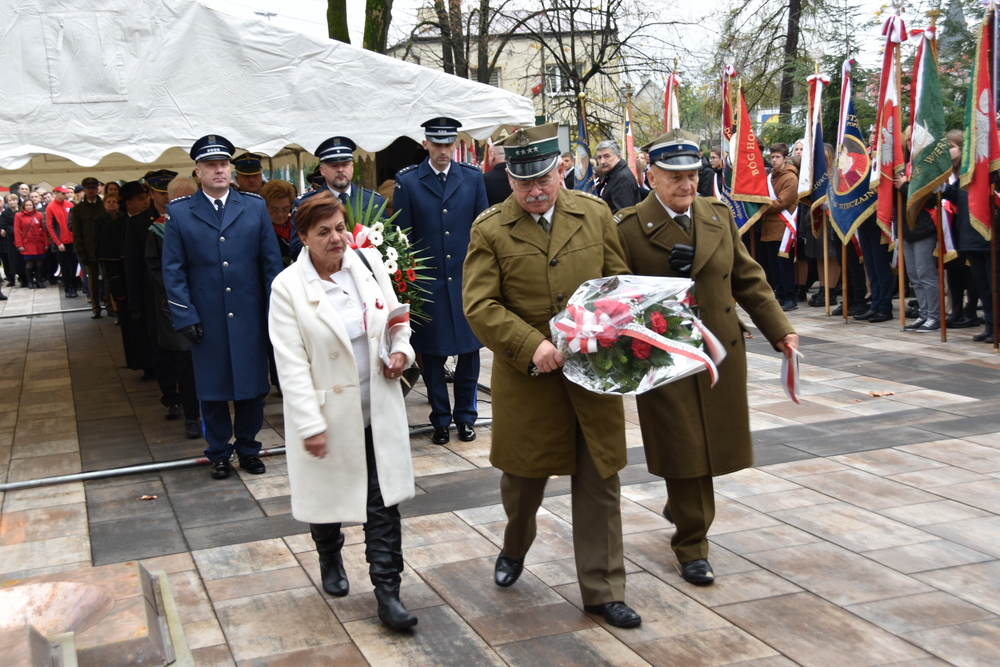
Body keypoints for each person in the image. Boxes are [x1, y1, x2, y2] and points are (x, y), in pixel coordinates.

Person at [463, 122, 642, 629]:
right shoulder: (490, 229)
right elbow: (479, 304)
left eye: (543, 178)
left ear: (561, 170)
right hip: (530, 383)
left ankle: (604, 589)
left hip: (592, 376)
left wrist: (609, 326)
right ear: (510, 180)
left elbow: (618, 284)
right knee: (523, 485)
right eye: (523, 184)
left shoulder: (594, 213)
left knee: (600, 480)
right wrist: (531, 344)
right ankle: (515, 545)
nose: (534, 191)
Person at [615, 129, 798, 585]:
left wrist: (781, 330)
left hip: (719, 352)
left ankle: (681, 505)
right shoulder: (628, 228)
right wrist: (659, 287)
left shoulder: (716, 215)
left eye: (693, 175)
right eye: (675, 176)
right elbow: (616, 296)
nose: (687, 185)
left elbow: (748, 278)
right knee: (683, 447)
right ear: (650, 176)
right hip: (665, 357)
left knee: (711, 445)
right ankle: (692, 543)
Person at [269, 190, 418, 631]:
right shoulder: (287, 288)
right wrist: (310, 425)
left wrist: (401, 353)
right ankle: (329, 552)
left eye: (339, 228)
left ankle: (387, 592)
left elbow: (396, 318)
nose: (336, 239)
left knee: (382, 500)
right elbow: (291, 364)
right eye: (323, 232)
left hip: (377, 408)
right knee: (330, 496)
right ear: (302, 238)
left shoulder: (368, 265)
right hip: (328, 413)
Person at [162, 134, 283, 480]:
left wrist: (274, 310)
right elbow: (174, 269)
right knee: (212, 390)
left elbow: (270, 264)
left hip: (248, 314)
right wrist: (185, 314)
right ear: (198, 171)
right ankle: (217, 452)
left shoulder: (254, 207)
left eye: (223, 164)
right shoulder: (181, 212)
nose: (219, 170)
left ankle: (248, 448)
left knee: (251, 386)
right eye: (211, 165)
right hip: (207, 316)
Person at [395, 117, 486, 445]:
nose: (444, 150)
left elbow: (483, 234)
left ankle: (465, 417)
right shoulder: (408, 182)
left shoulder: (473, 179)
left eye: (449, 143)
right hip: (428, 286)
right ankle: (440, 419)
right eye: (438, 144)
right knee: (431, 357)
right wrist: (411, 287)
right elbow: (403, 240)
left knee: (469, 354)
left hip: (466, 283)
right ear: (426, 145)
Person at [146, 176, 202, 439]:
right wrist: (179, 295)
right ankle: (192, 416)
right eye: (175, 199)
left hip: (209, 304)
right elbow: (155, 270)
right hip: (177, 306)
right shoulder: (158, 230)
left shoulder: (208, 223)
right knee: (186, 362)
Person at [290, 136, 384, 258]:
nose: (340, 170)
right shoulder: (305, 203)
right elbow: (297, 249)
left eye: (345, 165)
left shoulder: (375, 201)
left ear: (352, 167)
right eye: (334, 166)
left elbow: (387, 243)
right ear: (322, 170)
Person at [759, 143, 799, 311]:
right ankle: (780, 295)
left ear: (785, 158)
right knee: (773, 266)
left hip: (783, 227)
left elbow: (782, 202)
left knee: (784, 265)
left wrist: (759, 206)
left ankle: (790, 297)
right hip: (768, 227)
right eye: (772, 157)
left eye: (777, 157)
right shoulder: (770, 177)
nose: (774, 160)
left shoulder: (790, 178)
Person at [70, 177, 105, 318]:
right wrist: (81, 252)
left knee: (108, 280)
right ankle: (96, 308)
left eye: (94, 188)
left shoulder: (103, 205)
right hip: (88, 250)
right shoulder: (78, 209)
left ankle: (110, 307)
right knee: (92, 281)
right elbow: (77, 233)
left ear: (97, 189)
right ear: (84, 190)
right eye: (88, 188)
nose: (91, 191)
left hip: (105, 248)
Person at [595, 139, 642, 213]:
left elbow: (622, 215)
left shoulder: (623, 179)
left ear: (619, 157)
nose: (602, 161)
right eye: (599, 157)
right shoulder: (611, 173)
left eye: (607, 156)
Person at [46, 186, 77, 297]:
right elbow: (50, 226)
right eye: (63, 193)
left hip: (72, 240)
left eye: (66, 193)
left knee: (74, 263)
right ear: (56, 193)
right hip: (61, 242)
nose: (65, 195)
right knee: (65, 265)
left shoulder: (70, 205)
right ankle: (68, 287)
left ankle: (73, 285)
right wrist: (58, 242)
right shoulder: (50, 207)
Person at [260, 179, 297, 266]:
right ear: (264, 206)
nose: (280, 214)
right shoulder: (259, 231)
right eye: (274, 209)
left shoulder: (297, 226)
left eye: (285, 208)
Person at [14, 198, 48, 289]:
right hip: (27, 243)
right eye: (27, 205)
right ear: (23, 206)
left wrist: (46, 243)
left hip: (39, 242)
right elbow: (17, 231)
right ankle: (30, 282)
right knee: (29, 263)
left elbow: (44, 230)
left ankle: (39, 281)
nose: (29, 207)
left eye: (30, 205)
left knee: (39, 262)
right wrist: (19, 244)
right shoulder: (18, 215)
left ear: (33, 206)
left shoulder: (39, 215)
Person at [1, 193, 26, 288]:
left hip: (23, 237)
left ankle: (24, 278)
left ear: (17, 201)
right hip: (11, 239)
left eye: (14, 200)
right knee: (11, 259)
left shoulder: (21, 211)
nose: (12, 202)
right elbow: (4, 225)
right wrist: (15, 230)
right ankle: (11, 279)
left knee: (22, 258)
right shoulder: (5, 213)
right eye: (10, 200)